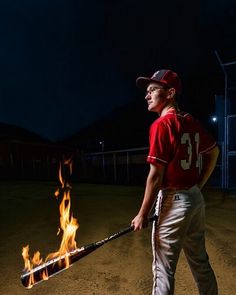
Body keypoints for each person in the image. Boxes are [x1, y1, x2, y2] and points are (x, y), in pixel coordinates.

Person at [131, 69, 219, 295]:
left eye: (152, 90)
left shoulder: (161, 125)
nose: (147, 95)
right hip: (195, 200)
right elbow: (214, 151)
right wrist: (199, 185)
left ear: (170, 93)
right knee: (200, 262)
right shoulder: (190, 121)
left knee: (163, 270)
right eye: (147, 91)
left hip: (173, 201)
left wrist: (142, 213)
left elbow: (155, 176)